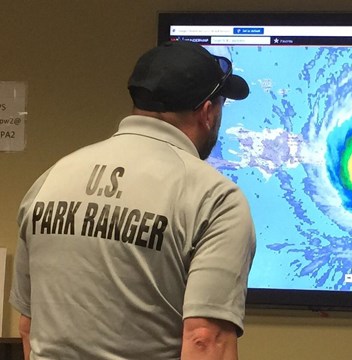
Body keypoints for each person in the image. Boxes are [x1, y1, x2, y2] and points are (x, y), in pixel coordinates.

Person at [10, 41, 256, 360]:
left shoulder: (51, 178)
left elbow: (29, 326)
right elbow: (205, 339)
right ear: (208, 113)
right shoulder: (215, 198)